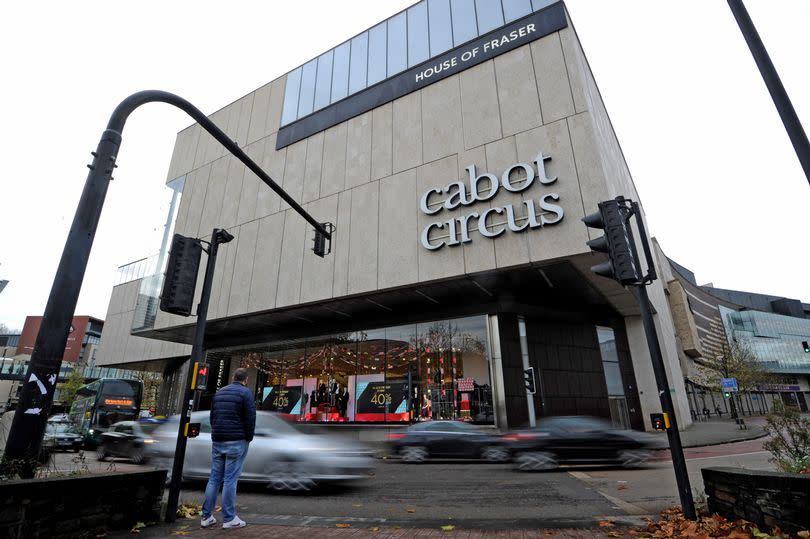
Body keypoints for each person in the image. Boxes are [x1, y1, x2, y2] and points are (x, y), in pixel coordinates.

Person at [200, 368, 256, 529]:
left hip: (218, 439)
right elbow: (250, 418)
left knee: (214, 478)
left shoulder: (220, 393)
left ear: (233, 377)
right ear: (246, 379)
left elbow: (212, 416)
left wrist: (216, 433)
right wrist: (248, 437)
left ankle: (206, 516)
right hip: (236, 440)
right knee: (230, 479)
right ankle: (229, 518)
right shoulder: (245, 393)